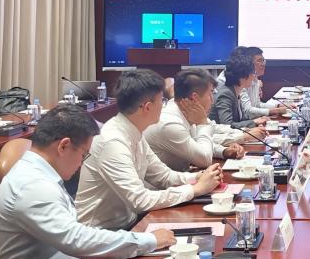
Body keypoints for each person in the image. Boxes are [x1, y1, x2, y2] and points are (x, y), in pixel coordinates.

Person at [0, 104, 175, 259]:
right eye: (84, 154)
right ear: (64, 146)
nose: (82, 163)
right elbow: (76, 240)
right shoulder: (31, 186)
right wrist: (149, 241)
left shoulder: (40, 175)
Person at [76, 69, 222, 230]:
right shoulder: (112, 141)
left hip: (130, 223)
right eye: (162, 100)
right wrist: (194, 189)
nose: (164, 105)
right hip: (103, 232)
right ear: (147, 107)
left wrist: (198, 177)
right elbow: (140, 201)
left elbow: (163, 176)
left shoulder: (134, 131)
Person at [146, 68, 246, 171]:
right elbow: (204, 159)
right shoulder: (169, 123)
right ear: (195, 97)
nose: (212, 101)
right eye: (211, 93)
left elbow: (196, 145)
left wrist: (224, 151)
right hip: (165, 180)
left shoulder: (186, 111)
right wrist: (202, 123)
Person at [214, 53, 265, 129]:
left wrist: (257, 123)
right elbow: (227, 125)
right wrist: (254, 122)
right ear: (242, 76)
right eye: (253, 73)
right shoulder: (225, 94)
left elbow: (240, 119)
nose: (254, 76)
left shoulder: (236, 91)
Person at [236, 46, 287, 119]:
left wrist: (277, 106)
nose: (263, 64)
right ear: (249, 63)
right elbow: (247, 111)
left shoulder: (256, 79)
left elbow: (257, 105)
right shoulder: (243, 81)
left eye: (263, 61)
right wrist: (273, 111)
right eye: (259, 61)